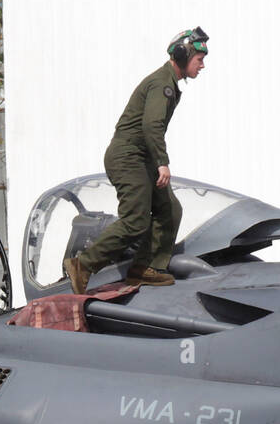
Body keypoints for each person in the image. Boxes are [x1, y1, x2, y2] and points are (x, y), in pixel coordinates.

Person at [63, 27, 209, 295]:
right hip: (128, 156)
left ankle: (144, 267)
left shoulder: (168, 83)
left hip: (141, 157)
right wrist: (162, 162)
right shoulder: (162, 83)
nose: (202, 65)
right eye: (199, 59)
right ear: (182, 54)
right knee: (135, 221)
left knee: (169, 209)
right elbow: (151, 125)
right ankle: (82, 265)